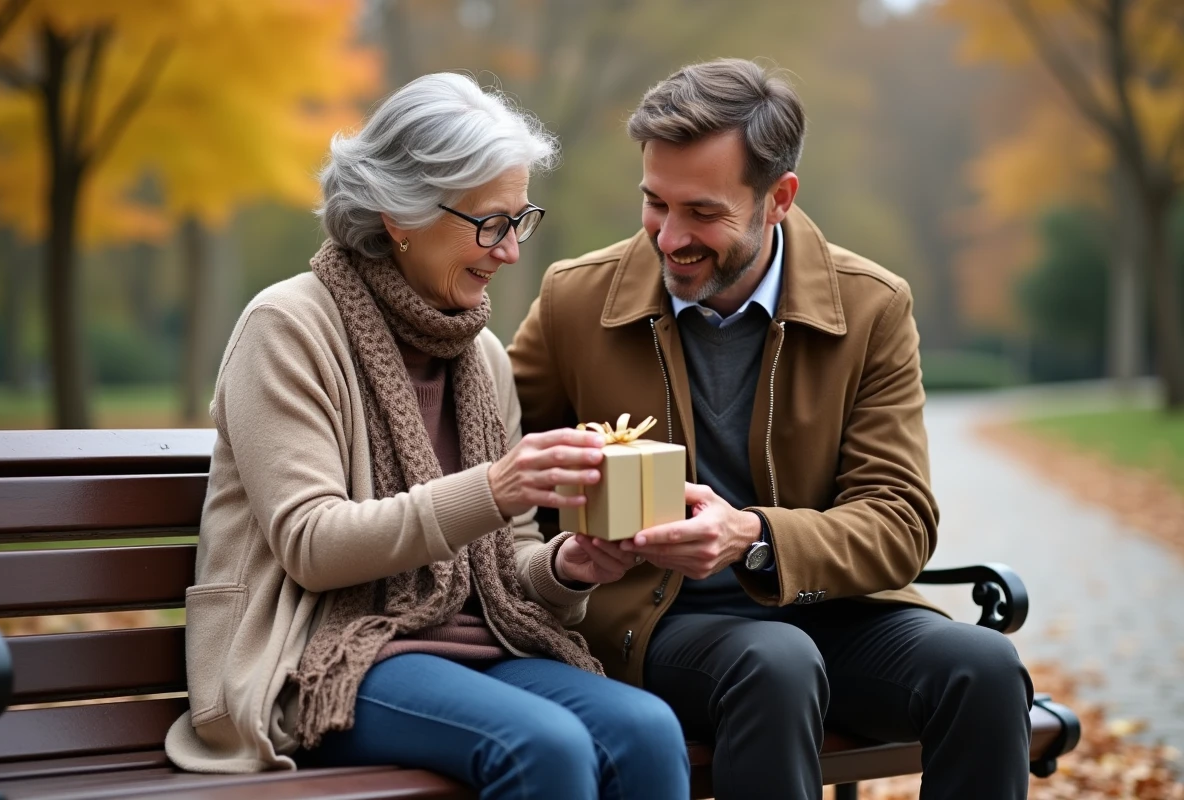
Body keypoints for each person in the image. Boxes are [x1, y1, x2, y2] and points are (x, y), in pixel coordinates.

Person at [508, 58, 1034, 800]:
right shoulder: (574, 300)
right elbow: (489, 456)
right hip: (655, 622)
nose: (669, 238)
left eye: (703, 212)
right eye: (656, 204)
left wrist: (752, 536)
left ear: (778, 199)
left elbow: (901, 522)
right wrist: (564, 551)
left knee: (983, 668)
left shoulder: (872, 307)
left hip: (829, 613)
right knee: (776, 661)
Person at [165, 72, 690, 800]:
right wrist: (494, 488)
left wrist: (572, 566)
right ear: (398, 215)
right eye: (490, 223)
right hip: (326, 657)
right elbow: (312, 545)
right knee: (547, 746)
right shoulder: (286, 329)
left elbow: (513, 568)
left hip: (485, 648)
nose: (509, 251)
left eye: (519, 220)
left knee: (647, 730)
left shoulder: (482, 355)